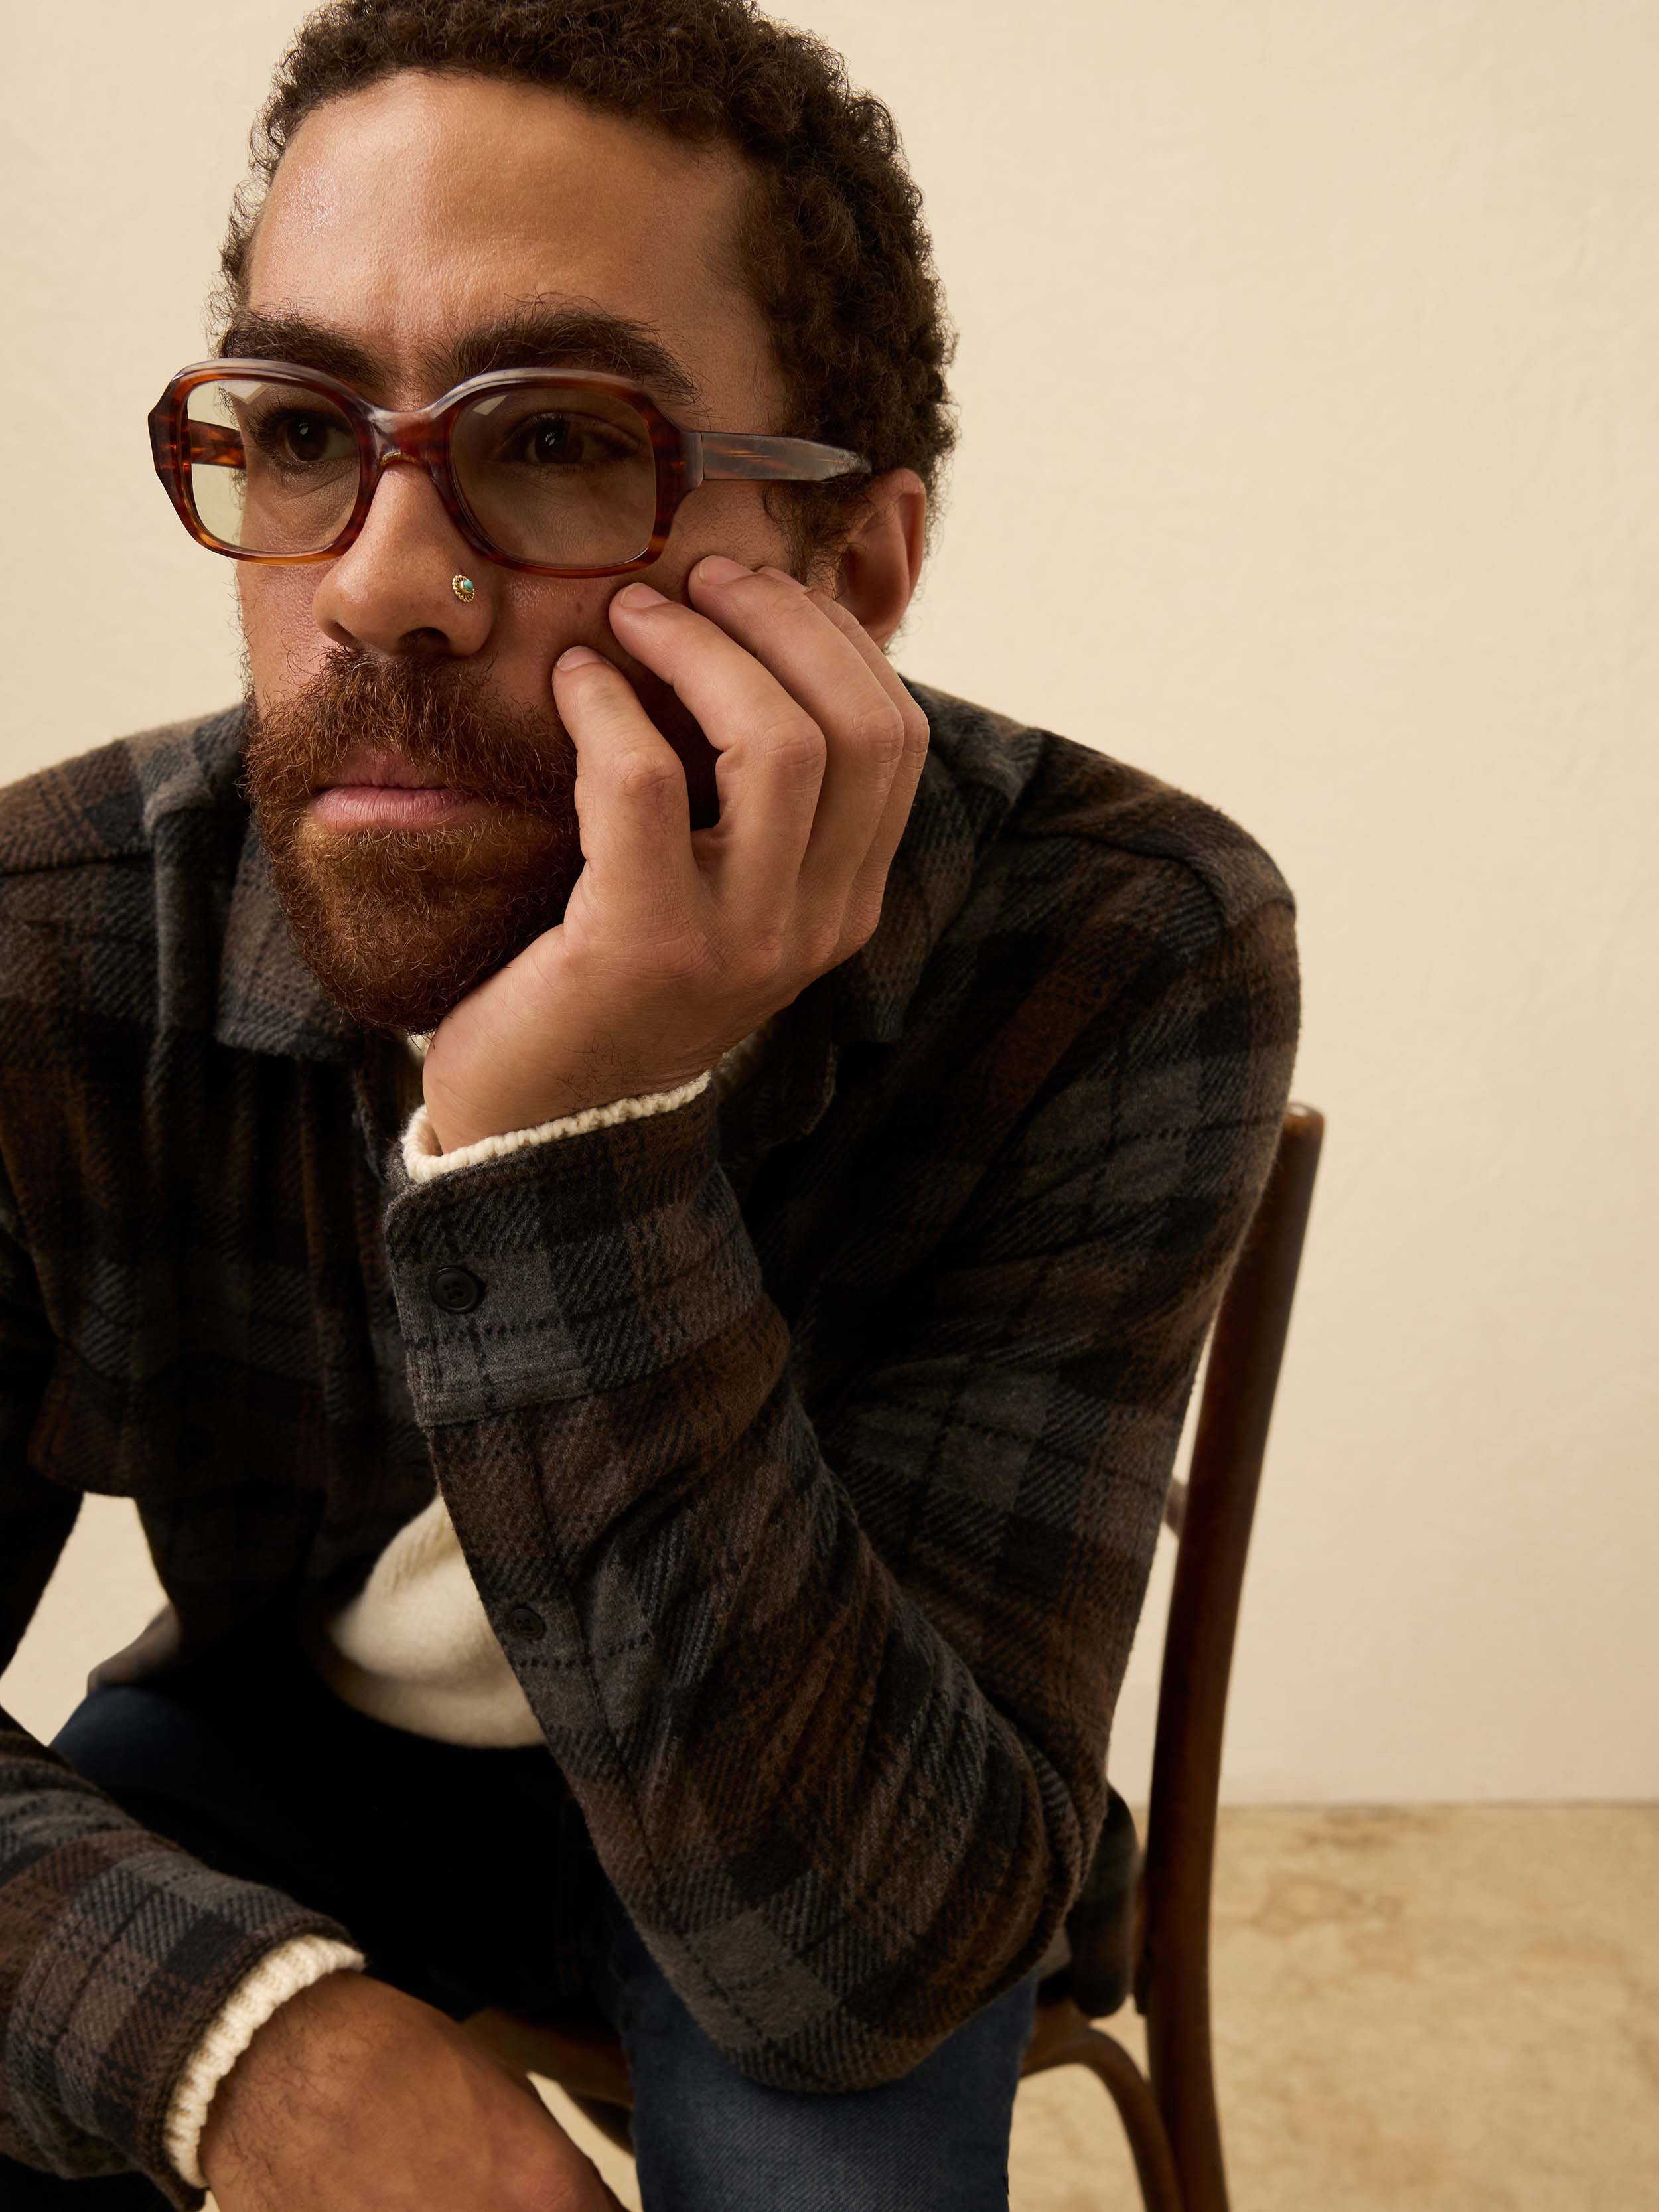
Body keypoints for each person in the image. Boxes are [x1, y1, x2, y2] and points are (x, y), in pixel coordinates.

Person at [0, 3, 1301, 2206]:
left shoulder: (1116, 938)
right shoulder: (60, 940)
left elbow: (860, 1966)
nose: (377, 586)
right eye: (302, 429)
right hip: (288, 1733)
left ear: (849, 573)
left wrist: (555, 1143)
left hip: (849, 1777)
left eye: (554, 440)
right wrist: (266, 2054)